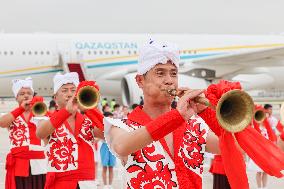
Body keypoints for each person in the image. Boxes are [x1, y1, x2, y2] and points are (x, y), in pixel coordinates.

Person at [104, 40, 220, 189]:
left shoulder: (194, 126)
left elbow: (233, 148)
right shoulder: (122, 126)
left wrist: (209, 112)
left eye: (173, 74)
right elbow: (121, 146)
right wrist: (176, 117)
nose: (169, 81)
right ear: (140, 81)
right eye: (160, 73)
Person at [36, 72, 104, 189]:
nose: (69, 94)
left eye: (73, 90)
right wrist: (66, 111)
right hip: (60, 184)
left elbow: (106, 133)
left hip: (87, 183)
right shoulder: (47, 120)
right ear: (55, 97)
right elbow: (40, 133)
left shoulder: (88, 122)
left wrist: (91, 108)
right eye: (64, 90)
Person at [0, 77, 47, 189]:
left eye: (29, 93)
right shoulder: (13, 115)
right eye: (21, 94)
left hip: (40, 164)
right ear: (16, 97)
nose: (26, 96)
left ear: (33, 96)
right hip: (19, 165)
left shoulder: (40, 112)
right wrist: (20, 109)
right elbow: (2, 123)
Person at [100, 112, 116, 189]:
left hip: (112, 146)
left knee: (111, 167)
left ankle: (110, 185)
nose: (111, 120)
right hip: (104, 146)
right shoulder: (102, 126)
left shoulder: (114, 126)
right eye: (110, 118)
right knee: (104, 166)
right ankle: (105, 185)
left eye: (112, 118)